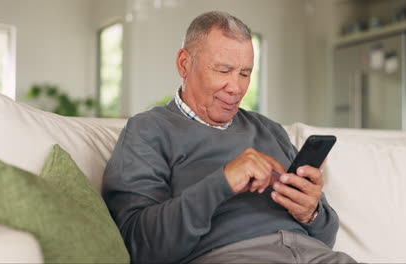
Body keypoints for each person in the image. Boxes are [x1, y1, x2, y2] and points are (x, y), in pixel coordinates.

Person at [103, 11, 356, 264]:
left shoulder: (270, 130)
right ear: (184, 64)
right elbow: (139, 246)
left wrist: (311, 212)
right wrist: (221, 182)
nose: (236, 87)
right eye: (224, 71)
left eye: (244, 74)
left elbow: (326, 237)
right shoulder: (148, 130)